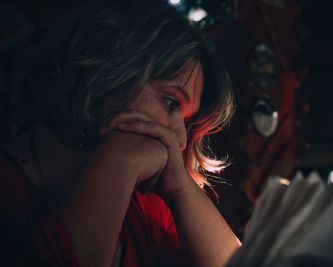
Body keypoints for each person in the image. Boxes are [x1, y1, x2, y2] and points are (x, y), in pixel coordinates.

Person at [0, 0, 241, 266]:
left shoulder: (146, 211)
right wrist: (118, 162)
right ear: (108, 70)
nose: (181, 140)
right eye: (170, 102)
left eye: (186, 122)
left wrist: (181, 189)